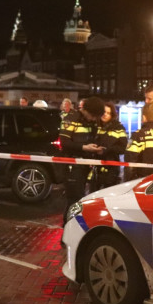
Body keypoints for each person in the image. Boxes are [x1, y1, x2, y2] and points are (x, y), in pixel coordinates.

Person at [59, 96, 105, 224]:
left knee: (80, 198)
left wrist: (95, 148)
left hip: (84, 165)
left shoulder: (90, 122)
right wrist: (85, 147)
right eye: (93, 116)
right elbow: (64, 142)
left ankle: (74, 226)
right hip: (72, 165)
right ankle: (68, 226)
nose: (94, 119)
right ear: (86, 110)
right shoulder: (71, 118)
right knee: (74, 199)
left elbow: (91, 138)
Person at [93, 102, 128, 190]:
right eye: (104, 112)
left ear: (112, 115)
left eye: (108, 113)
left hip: (111, 168)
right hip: (96, 167)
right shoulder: (95, 126)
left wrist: (106, 150)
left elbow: (122, 149)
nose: (105, 115)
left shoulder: (119, 128)